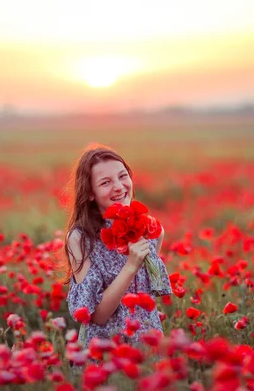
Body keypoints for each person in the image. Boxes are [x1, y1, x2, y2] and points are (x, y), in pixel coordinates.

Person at [63, 144, 172, 350]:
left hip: (146, 350)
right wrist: (131, 265)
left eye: (123, 176)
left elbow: (146, 300)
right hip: (105, 354)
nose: (119, 187)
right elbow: (97, 316)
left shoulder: (150, 229)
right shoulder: (80, 239)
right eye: (106, 182)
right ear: (90, 193)